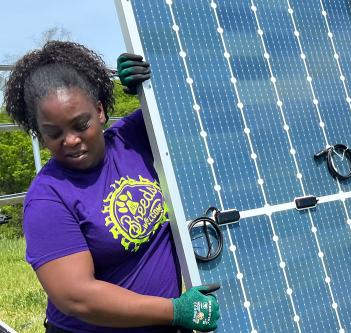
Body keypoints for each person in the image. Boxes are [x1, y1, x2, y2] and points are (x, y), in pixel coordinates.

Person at [4, 40, 220, 333]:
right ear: (40, 136)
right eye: (53, 134)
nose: (70, 140)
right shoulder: (47, 199)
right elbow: (77, 297)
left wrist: (149, 83)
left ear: (100, 111)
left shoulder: (131, 139)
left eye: (81, 124)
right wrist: (175, 310)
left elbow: (195, 97)